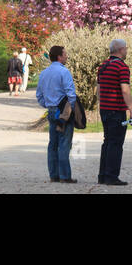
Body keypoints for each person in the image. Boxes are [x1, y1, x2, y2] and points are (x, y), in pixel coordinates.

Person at [97, 38, 132, 186]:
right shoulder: (122, 67)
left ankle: (102, 175)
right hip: (116, 110)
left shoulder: (103, 66)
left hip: (105, 109)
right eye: (125, 48)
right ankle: (111, 176)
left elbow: (99, 89)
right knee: (116, 143)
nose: (127, 50)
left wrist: (102, 104)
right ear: (120, 50)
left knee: (107, 142)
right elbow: (125, 90)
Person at [35, 44, 77, 183]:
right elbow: (71, 94)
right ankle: (65, 176)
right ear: (59, 56)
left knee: (53, 144)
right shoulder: (64, 72)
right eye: (65, 54)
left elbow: (39, 95)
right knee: (64, 143)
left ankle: (54, 174)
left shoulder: (44, 73)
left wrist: (48, 105)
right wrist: (70, 109)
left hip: (51, 110)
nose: (66, 56)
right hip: (63, 110)